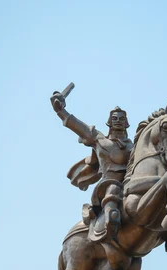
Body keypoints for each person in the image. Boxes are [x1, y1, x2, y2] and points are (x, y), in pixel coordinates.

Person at [51, 93, 133, 241]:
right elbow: (79, 127)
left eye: (122, 119)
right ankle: (111, 222)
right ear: (109, 122)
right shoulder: (99, 139)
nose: (118, 122)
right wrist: (60, 111)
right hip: (107, 186)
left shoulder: (133, 146)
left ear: (127, 122)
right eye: (115, 119)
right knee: (113, 188)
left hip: (129, 185)